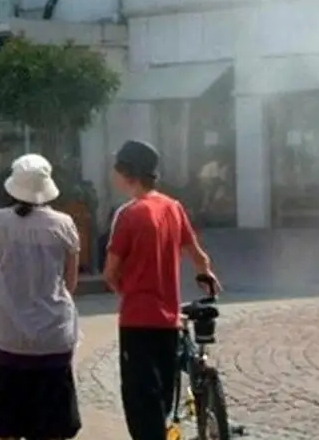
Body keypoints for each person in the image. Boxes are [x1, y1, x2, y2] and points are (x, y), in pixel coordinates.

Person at [103, 139, 220, 440]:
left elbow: (110, 271)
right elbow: (199, 257)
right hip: (168, 322)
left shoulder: (129, 214)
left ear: (128, 173)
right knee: (163, 401)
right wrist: (206, 277)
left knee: (142, 406)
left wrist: (127, 292)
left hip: (137, 322)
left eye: (116, 168)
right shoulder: (173, 207)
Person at [0, 153, 82, 440]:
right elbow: (70, 283)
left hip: (8, 334)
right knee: (51, 426)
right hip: (54, 336)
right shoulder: (65, 224)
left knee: (9, 423)